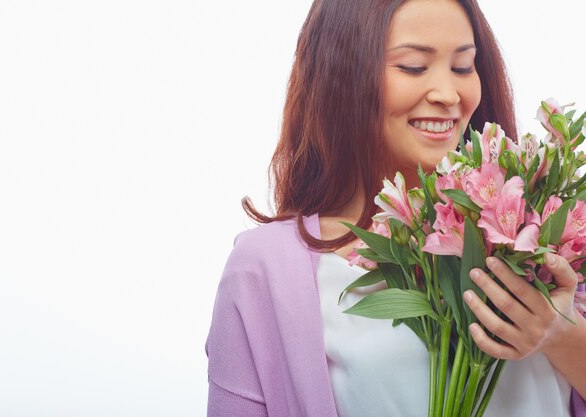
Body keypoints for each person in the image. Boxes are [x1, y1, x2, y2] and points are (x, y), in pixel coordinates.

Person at [206, 0, 586, 416]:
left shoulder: (545, 236)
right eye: (412, 67)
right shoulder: (268, 270)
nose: (448, 94)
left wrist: (563, 337)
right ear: (341, 76)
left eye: (463, 67)